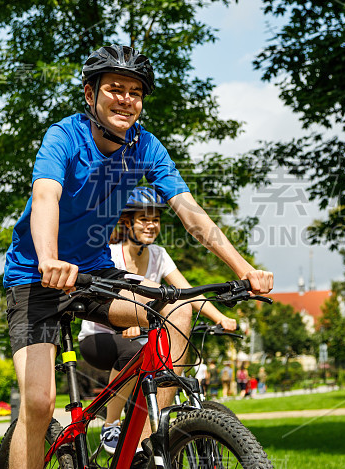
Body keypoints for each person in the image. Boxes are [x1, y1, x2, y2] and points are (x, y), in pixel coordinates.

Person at [3, 45, 273, 469]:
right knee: (39, 404)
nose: (126, 99)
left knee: (177, 309)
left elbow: (189, 212)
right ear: (90, 94)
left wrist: (244, 269)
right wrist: (49, 258)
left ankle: (147, 443)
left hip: (94, 273)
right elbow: (45, 197)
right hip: (36, 276)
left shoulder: (145, 146)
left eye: (135, 92)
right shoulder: (64, 136)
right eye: (115, 88)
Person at [77, 186, 237, 454]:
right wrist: (126, 323)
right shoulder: (111, 254)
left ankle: (147, 436)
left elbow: (185, 293)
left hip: (140, 337)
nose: (152, 225)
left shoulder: (159, 255)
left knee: (167, 356)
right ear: (127, 223)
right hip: (99, 337)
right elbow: (101, 300)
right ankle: (111, 423)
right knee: (132, 353)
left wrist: (220, 316)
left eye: (156, 220)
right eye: (144, 219)